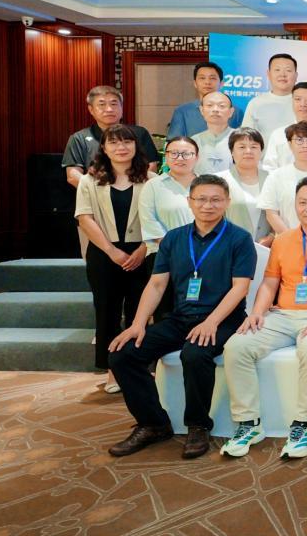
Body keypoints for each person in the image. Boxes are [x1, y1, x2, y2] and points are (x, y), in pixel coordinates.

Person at [106, 175, 255, 459]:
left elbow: (240, 288)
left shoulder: (239, 238)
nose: (208, 205)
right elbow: (157, 284)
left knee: (195, 353)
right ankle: (153, 424)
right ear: (189, 201)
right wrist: (137, 324)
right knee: (123, 354)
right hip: (181, 317)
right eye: (201, 199)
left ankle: (198, 426)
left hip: (223, 319)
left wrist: (211, 322)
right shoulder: (174, 239)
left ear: (227, 202)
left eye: (216, 200)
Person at [221, 176, 307, 460]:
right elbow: (270, 283)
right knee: (236, 346)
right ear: (295, 206)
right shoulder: (283, 241)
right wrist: (257, 312)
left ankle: (302, 424)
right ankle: (248, 423)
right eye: (303, 202)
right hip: (282, 315)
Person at [75, 125, 151, 393]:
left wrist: (143, 248)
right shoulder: (89, 180)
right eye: (114, 142)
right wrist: (112, 251)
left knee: (138, 312)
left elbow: (158, 220)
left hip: (143, 253)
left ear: (135, 146)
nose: (121, 147)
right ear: (104, 148)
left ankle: (136, 366)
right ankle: (113, 371)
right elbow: (85, 218)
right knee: (107, 312)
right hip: (103, 253)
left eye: (127, 142)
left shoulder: (151, 179)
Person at [63, 85, 159, 189]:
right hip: (95, 193)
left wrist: (130, 190)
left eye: (114, 104)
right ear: (91, 109)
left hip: (136, 192)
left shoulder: (139, 133)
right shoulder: (79, 138)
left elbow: (151, 166)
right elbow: (73, 175)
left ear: (121, 107)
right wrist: (98, 191)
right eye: (102, 104)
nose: (109, 109)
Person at [140, 136, 199, 285]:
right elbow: (149, 222)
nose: (180, 158)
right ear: (166, 157)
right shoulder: (153, 186)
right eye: (174, 153)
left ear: (197, 157)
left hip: (203, 256)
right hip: (163, 256)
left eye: (186, 154)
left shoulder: (208, 184)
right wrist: (180, 250)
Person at [217, 128, 272, 245]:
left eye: (254, 147)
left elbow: (283, 213)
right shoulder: (218, 181)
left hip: (268, 249)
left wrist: (271, 237)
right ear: (232, 152)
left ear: (261, 151)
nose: (248, 151)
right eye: (242, 147)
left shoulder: (272, 178)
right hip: (230, 247)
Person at [168, 61, 241, 138]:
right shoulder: (182, 111)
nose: (207, 82)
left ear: (221, 83)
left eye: (212, 78)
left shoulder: (236, 112)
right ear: (195, 83)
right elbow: (173, 141)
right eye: (202, 78)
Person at [243, 54, 302, 144]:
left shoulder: (306, 103)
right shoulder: (256, 103)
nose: (282, 74)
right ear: (268, 74)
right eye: (277, 70)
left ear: (296, 75)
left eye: (288, 70)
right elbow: (245, 138)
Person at [193, 92, 237, 173]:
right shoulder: (193, 141)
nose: (215, 109)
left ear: (231, 112)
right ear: (202, 110)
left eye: (222, 106)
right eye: (209, 105)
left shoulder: (240, 138)